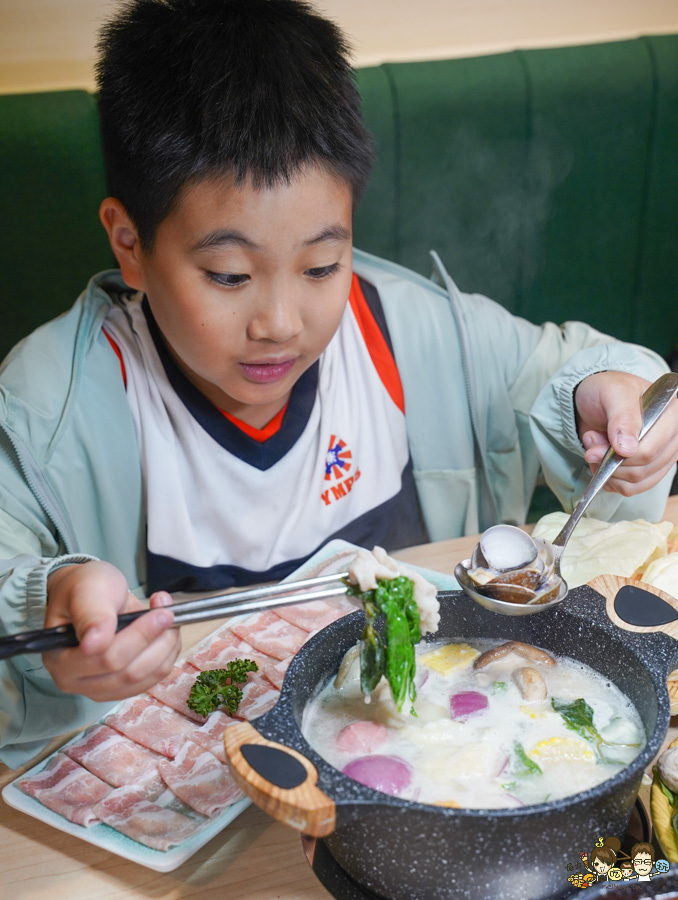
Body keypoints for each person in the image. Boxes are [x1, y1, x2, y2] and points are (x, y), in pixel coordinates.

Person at [0, 0, 677, 768]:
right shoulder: (49, 405)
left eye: (322, 266)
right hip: (193, 800)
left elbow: (571, 372)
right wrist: (48, 610)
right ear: (129, 242)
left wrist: (610, 397)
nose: (282, 321)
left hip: (432, 753)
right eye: (228, 275)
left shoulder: (413, 333)